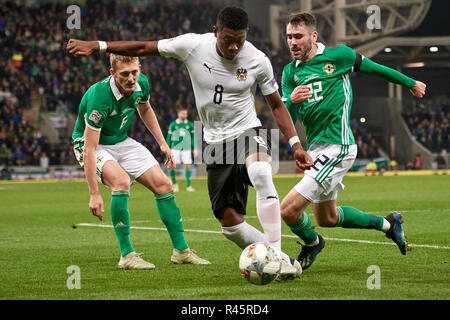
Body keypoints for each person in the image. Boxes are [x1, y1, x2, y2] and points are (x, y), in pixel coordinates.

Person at [67, 5, 314, 280]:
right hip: (214, 142)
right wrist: (98, 46)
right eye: (227, 40)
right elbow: (143, 46)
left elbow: (277, 106)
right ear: (215, 32)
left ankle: (276, 259)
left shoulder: (258, 59)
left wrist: (295, 143)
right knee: (230, 225)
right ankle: (279, 259)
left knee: (260, 171)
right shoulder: (192, 46)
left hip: (248, 130)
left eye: (239, 40)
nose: (233, 47)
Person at [279, 12, 427, 270]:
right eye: (289, 36)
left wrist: (410, 82)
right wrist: (292, 101)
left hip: (339, 145)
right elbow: (286, 118)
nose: (292, 42)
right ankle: (389, 224)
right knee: (327, 217)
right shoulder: (290, 72)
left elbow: (377, 70)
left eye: (298, 36)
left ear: (313, 36)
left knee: (288, 210)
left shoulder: (339, 56)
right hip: (316, 148)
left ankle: (312, 244)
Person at [71, 53, 210, 270]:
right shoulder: (100, 97)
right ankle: (127, 255)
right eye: (124, 74)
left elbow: (144, 108)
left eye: (134, 72)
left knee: (163, 184)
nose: (131, 78)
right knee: (121, 181)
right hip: (91, 144)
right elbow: (89, 149)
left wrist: (163, 144)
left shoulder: (141, 83)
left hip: (121, 140)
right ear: (112, 73)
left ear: (140, 68)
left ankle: (181, 252)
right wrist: (94, 193)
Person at [166, 108, 197, 192]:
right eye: (183, 113)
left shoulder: (190, 124)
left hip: (186, 148)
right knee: (173, 166)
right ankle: (174, 184)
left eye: (185, 113)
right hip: (175, 149)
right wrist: (167, 148)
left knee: (187, 166)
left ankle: (189, 185)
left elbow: (194, 137)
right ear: (178, 114)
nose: (184, 115)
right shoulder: (173, 124)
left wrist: (194, 148)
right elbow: (169, 137)